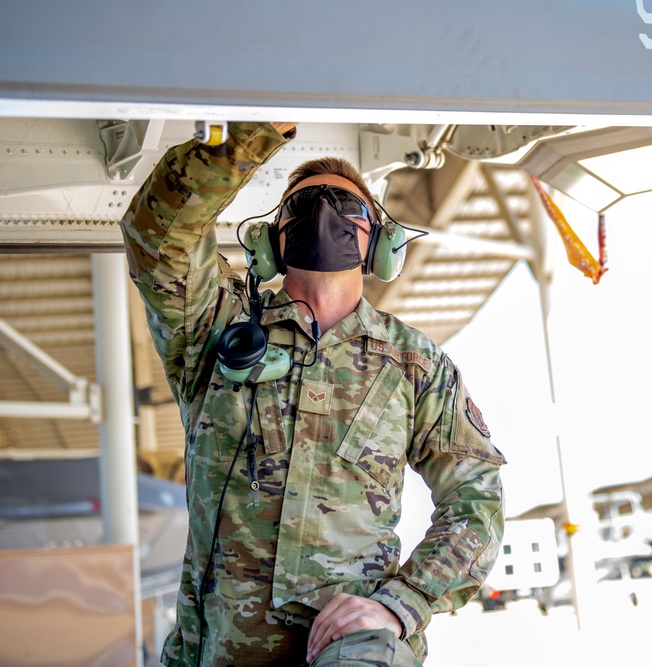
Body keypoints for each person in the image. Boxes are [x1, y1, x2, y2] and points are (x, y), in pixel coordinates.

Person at [121, 122, 506, 667]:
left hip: (354, 651)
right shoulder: (216, 328)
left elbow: (476, 497)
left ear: (380, 245)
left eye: (347, 206)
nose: (324, 212)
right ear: (271, 243)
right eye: (301, 206)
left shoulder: (415, 364)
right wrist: (248, 135)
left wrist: (404, 602)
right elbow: (157, 238)